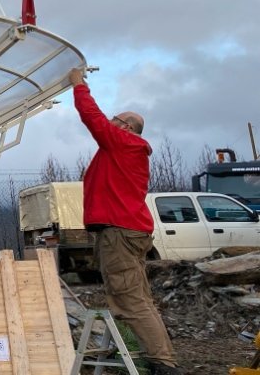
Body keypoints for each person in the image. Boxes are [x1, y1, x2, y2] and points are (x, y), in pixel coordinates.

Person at [68, 67, 182, 375]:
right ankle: (160, 356)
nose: (111, 123)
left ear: (126, 126)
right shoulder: (124, 152)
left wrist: (78, 86)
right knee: (136, 296)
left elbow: (94, 119)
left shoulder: (124, 144)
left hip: (119, 232)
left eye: (116, 120)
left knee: (130, 299)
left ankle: (164, 365)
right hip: (126, 230)